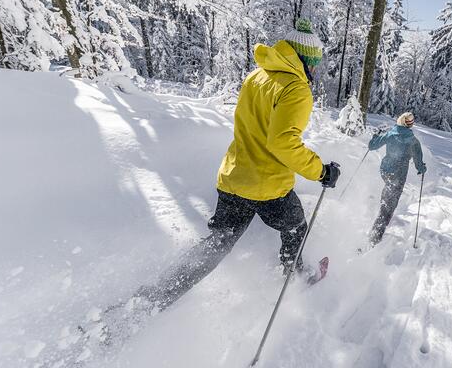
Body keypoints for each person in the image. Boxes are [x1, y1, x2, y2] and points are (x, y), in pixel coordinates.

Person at [133, 18, 341, 311]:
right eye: (314, 64)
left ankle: (152, 299)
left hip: (233, 177)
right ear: (304, 60)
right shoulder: (296, 88)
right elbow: (282, 142)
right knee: (296, 226)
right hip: (267, 186)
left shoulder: (257, 76)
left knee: (217, 244)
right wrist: (321, 171)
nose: (315, 71)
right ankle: (293, 275)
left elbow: (253, 127)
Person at [367, 112, 426, 245]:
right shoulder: (413, 141)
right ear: (409, 124)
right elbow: (419, 164)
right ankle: (374, 238)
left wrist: (375, 135)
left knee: (388, 191)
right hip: (398, 176)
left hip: (385, 171)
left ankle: (383, 202)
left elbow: (372, 146)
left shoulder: (390, 134)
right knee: (388, 208)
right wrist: (422, 168)